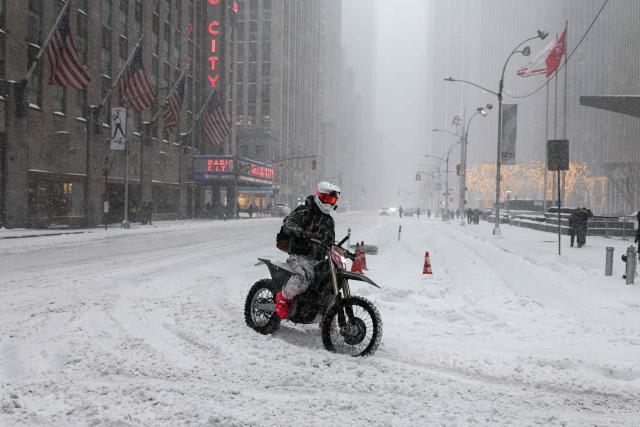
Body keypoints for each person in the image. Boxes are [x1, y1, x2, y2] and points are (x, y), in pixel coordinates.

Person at [275, 181, 339, 319]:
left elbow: (331, 242)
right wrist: (301, 232)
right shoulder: (304, 210)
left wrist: (340, 251)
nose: (329, 202)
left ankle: (327, 317)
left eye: (332, 199)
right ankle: (282, 298)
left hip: (318, 259)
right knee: (304, 277)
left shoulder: (329, 221)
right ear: (318, 196)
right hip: (299, 255)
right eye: (327, 198)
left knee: (330, 281)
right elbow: (288, 222)